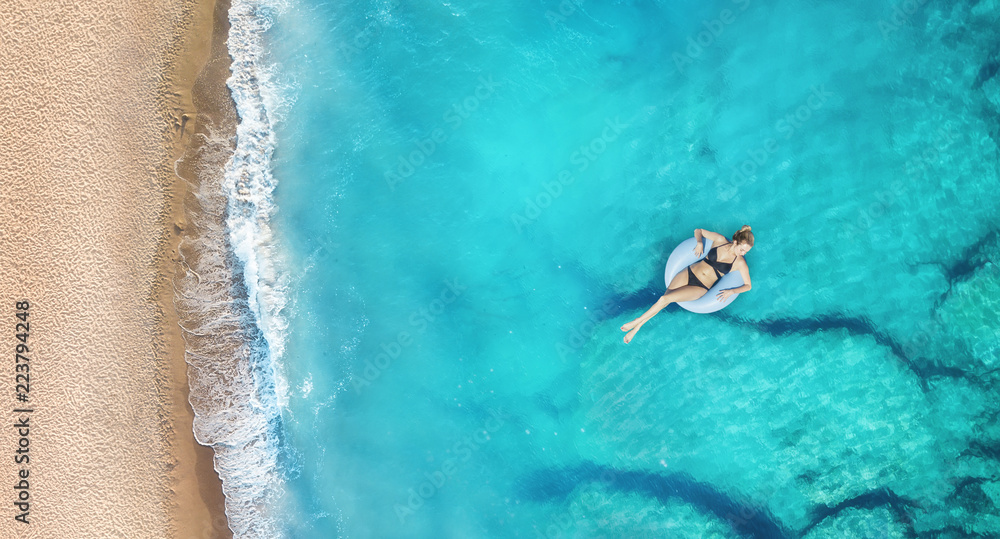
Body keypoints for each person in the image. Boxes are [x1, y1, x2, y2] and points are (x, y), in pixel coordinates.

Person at [621, 225, 754, 344]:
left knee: (663, 299)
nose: (743, 253)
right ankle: (637, 328)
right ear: (735, 242)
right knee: (664, 301)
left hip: (700, 287)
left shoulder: (740, 263)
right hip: (688, 272)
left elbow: (748, 286)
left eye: (746, 252)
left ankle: (636, 322)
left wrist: (732, 291)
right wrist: (699, 243)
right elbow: (698, 231)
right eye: (742, 249)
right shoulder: (719, 240)